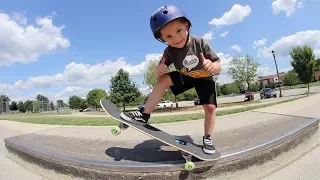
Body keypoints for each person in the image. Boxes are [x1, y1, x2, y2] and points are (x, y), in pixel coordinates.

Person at [120, 5, 222, 154]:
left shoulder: (201, 43)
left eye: (178, 31)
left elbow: (218, 64)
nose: (176, 39)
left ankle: (207, 137)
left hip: (205, 77)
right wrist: (158, 70)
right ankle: (144, 114)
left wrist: (212, 66)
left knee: (210, 108)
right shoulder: (169, 51)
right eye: (168, 37)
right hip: (186, 76)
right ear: (162, 39)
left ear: (186, 26)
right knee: (163, 80)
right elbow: (161, 66)